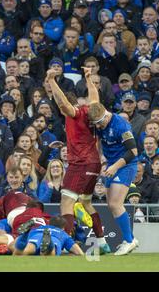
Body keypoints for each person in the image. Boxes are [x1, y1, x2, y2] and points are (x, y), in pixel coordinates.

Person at [47, 66, 111, 254]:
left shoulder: (75, 113)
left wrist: (52, 81)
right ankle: (102, 242)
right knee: (86, 203)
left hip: (81, 163)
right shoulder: (91, 111)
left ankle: (67, 245)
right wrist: (88, 77)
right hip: (93, 163)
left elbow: (63, 104)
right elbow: (95, 97)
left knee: (66, 203)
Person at [88, 101, 140, 255]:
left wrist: (114, 167)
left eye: (99, 123)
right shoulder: (100, 125)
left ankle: (129, 242)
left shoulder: (121, 126)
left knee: (116, 203)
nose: (97, 127)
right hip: (111, 164)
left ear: (106, 115)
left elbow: (133, 152)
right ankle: (130, 238)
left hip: (125, 165)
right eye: (94, 123)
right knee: (111, 205)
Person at [13, 216, 84, 256]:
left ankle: (24, 235)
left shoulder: (38, 228)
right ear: (63, 228)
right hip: (54, 238)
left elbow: (11, 246)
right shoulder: (63, 233)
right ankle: (50, 246)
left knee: (23, 251)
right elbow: (79, 252)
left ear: (49, 223)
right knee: (50, 254)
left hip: (36, 235)